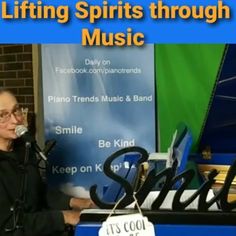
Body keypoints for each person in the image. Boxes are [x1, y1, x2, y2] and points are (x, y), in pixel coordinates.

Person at [0, 89, 94, 236]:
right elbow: (8, 224)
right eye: (2, 115)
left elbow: (36, 192)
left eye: (16, 110)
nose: (15, 120)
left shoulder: (24, 148)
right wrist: (65, 217)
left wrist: (76, 202)